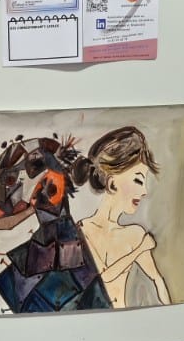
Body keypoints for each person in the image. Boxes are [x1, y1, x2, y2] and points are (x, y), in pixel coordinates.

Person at [71, 126, 171, 309]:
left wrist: (171, 313)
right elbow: (102, 278)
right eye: (138, 180)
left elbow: (157, 279)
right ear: (112, 184)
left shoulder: (135, 234)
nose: (144, 191)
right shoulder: (82, 231)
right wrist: (139, 249)